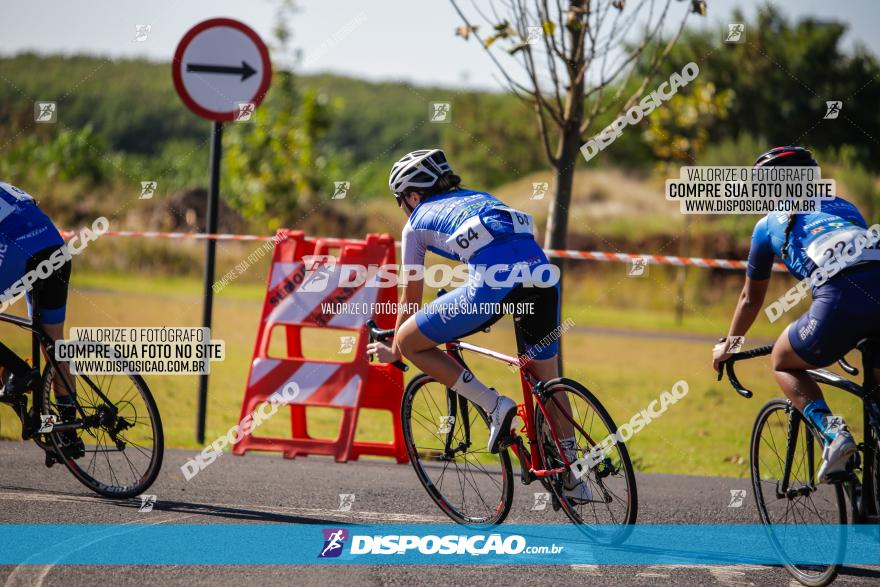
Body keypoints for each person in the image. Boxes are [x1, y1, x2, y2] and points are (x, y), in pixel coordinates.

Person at [367, 149, 591, 502]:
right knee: (547, 380)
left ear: (412, 195)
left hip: (491, 284)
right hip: (543, 278)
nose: (403, 209)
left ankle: (493, 405)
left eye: (401, 201)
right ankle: (575, 476)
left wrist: (394, 347)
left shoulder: (416, 222)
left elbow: (411, 297)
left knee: (410, 341)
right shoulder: (479, 197)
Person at [712, 146, 880, 483]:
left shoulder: (766, 226)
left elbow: (749, 298)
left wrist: (730, 345)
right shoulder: (845, 206)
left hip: (838, 301)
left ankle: (833, 435)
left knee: (782, 359)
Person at [0, 180, 79, 457]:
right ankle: (68, 431)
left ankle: (19, 373)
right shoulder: (5, 188)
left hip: (18, 250)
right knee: (53, 343)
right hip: (54, 249)